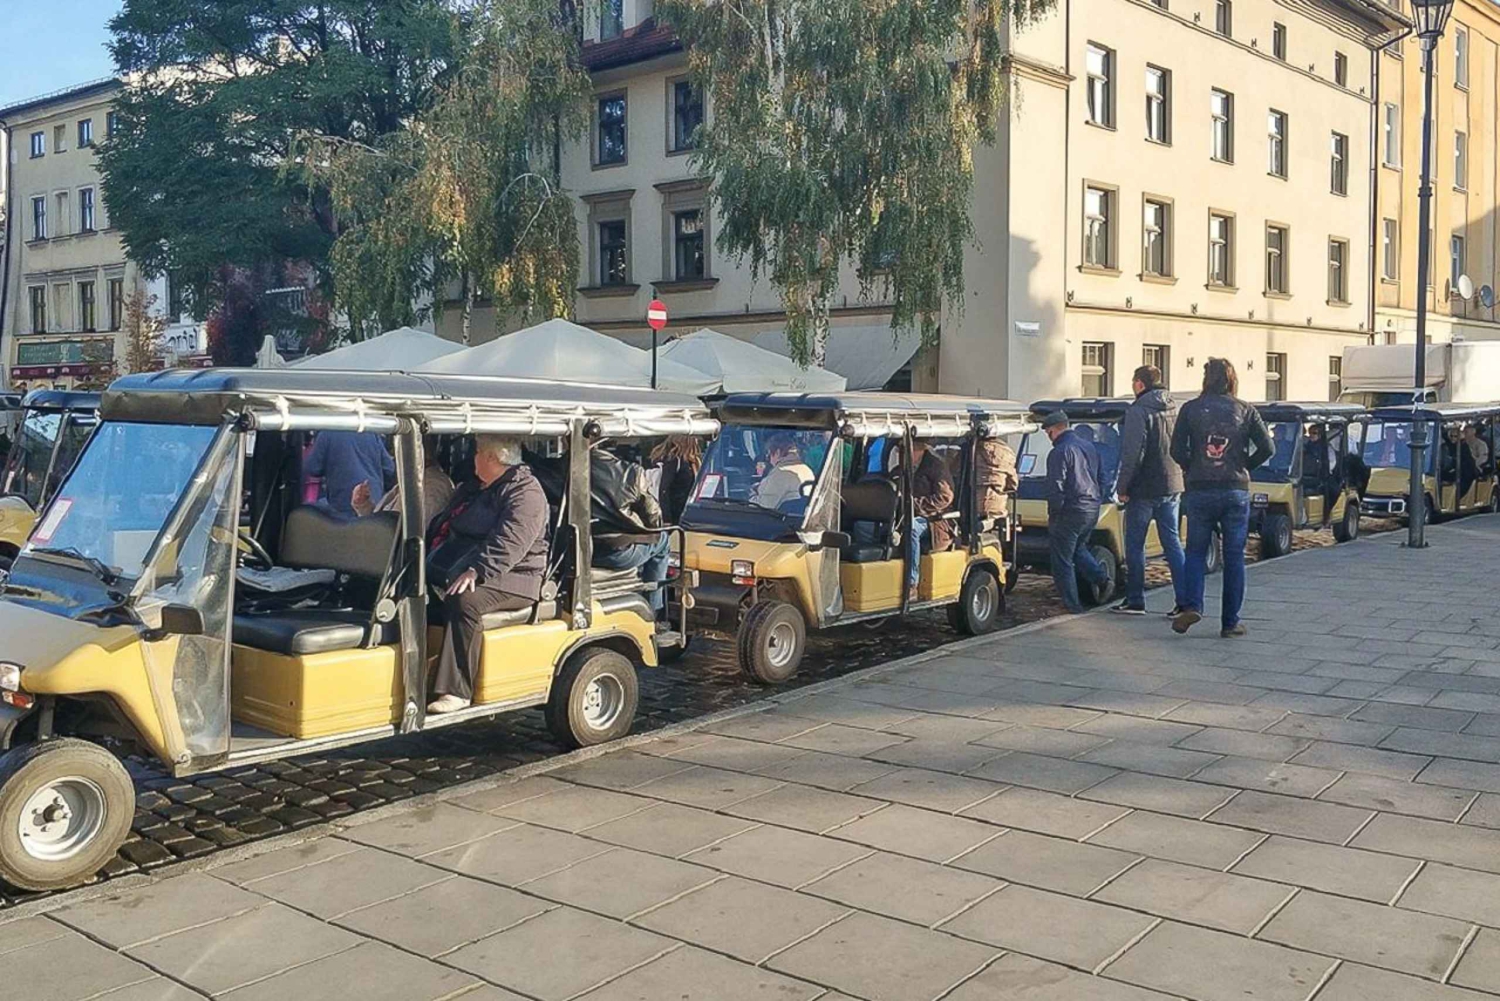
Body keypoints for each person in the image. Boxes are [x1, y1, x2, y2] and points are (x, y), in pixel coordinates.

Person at [426, 435, 550, 714]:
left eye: (477, 453)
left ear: (492, 458)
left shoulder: (525, 492)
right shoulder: (476, 488)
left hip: (515, 576)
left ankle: (457, 690)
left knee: (464, 601)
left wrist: (478, 570)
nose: (473, 459)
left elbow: (511, 541)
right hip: (460, 564)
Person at [1169, 357, 1274, 637]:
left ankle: (1192, 604)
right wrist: (1243, 466)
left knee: (1194, 551)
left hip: (1200, 488)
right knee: (1234, 557)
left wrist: (1192, 466)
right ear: (1231, 379)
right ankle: (1230, 622)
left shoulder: (1190, 409)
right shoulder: (1245, 410)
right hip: (1234, 489)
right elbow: (1268, 447)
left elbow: (1176, 449)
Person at [1113, 365, 1186, 616]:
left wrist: (1123, 487)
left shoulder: (1138, 410)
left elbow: (1133, 453)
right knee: (1173, 543)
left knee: (1135, 545)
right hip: (1172, 484)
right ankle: (1185, 601)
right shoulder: (1175, 407)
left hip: (1143, 488)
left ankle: (1135, 600)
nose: (1132, 386)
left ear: (1141, 384)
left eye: (1134, 382)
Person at [590, 444, 672, 614]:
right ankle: (653, 609)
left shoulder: (558, 468)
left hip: (569, 550)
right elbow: (654, 519)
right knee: (663, 540)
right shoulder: (630, 472)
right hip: (615, 551)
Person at [1042, 411, 1110, 614]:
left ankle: (1072, 606)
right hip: (1091, 507)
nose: (1048, 436)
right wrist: (1098, 499)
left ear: (1054, 430)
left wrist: (1053, 512)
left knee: (1062, 559)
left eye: (1048, 432)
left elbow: (1056, 485)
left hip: (1070, 510)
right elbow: (1102, 477)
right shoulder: (1089, 447)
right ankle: (1102, 580)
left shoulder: (1059, 451)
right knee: (1079, 549)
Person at [351, 435, 456, 532]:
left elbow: (406, 531)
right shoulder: (412, 479)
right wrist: (365, 507)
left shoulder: (435, 486)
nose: (393, 456)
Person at [904, 439, 956, 600]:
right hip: (904, 513)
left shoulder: (935, 466)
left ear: (917, 450)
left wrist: (917, 505)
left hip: (934, 520)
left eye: (903, 451)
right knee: (865, 526)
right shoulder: (904, 467)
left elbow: (945, 497)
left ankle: (912, 583)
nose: (900, 454)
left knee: (911, 527)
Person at [304, 430, 395, 520]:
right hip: (374, 502)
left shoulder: (327, 433)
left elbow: (313, 468)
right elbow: (389, 468)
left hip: (343, 505)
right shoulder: (371, 432)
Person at [750, 433, 816, 511]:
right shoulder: (807, 469)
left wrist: (752, 495)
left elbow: (764, 506)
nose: (769, 460)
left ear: (777, 452)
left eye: (769, 454)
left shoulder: (780, 474)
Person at [651, 435, 702, 524]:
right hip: (675, 512)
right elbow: (664, 488)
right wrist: (666, 518)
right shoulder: (674, 460)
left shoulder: (691, 462)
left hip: (683, 511)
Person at [976, 435, 1019, 521]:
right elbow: (1013, 485)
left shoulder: (972, 450)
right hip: (997, 507)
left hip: (973, 506)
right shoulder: (1008, 454)